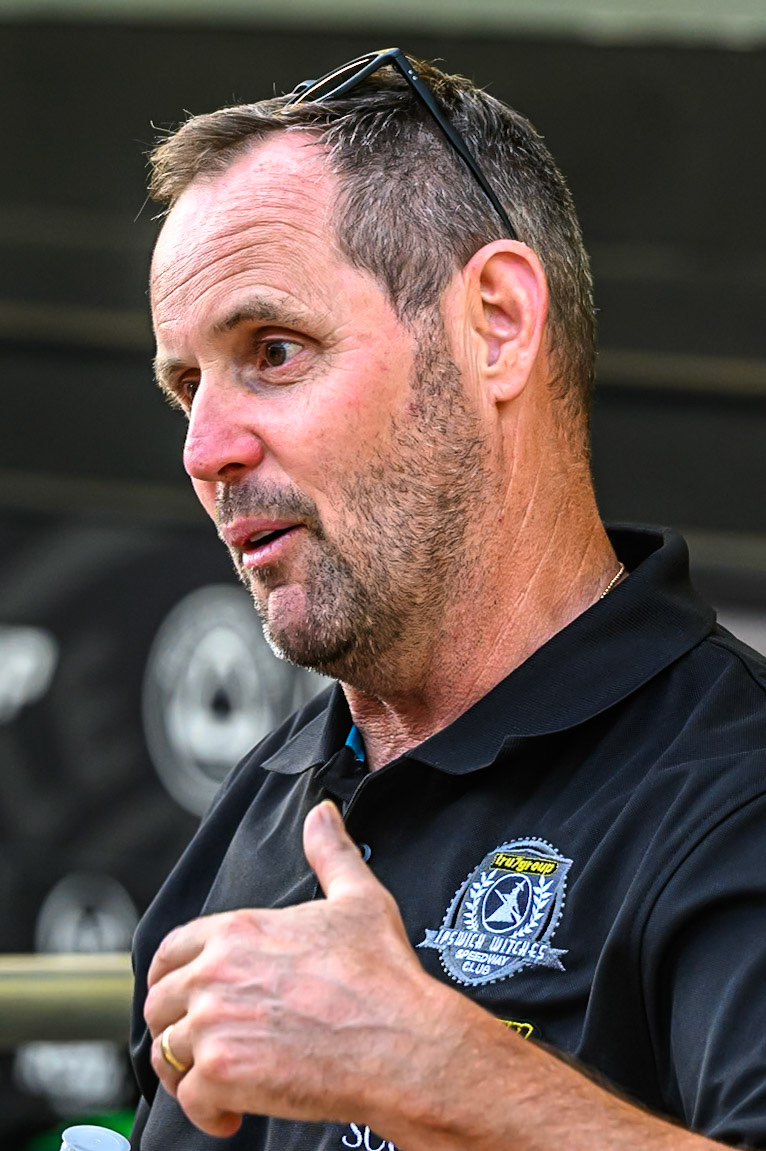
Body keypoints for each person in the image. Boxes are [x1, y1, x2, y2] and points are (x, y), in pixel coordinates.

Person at [130, 49, 766, 1151]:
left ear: (498, 323)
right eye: (187, 385)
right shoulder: (264, 797)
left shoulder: (727, 791)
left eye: (272, 350)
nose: (206, 450)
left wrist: (437, 1071)